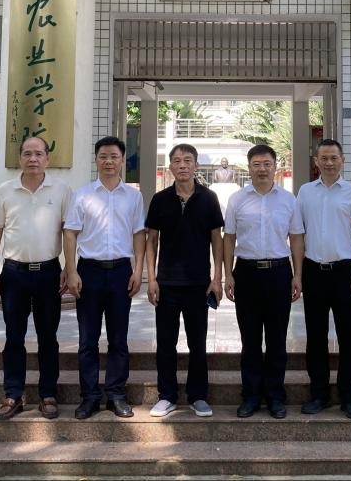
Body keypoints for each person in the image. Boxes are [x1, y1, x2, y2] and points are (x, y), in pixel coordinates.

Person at [0, 137, 73, 421]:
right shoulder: (6, 190)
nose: (33, 159)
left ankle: (48, 394)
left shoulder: (61, 190)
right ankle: (13, 394)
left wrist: (69, 268)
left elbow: (69, 232)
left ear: (47, 158)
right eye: (27, 154)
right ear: (20, 158)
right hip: (14, 273)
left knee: (48, 337)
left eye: (38, 154)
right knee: (14, 337)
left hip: (48, 273)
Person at [63, 136, 146, 420]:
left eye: (114, 156)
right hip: (89, 272)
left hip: (121, 271)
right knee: (87, 339)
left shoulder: (134, 196)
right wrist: (71, 270)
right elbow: (70, 233)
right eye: (103, 156)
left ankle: (116, 395)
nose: (108, 161)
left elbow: (138, 234)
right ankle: (89, 397)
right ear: (96, 160)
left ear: (122, 160)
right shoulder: (82, 195)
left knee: (118, 338)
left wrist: (138, 270)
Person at [223, 144, 305, 419]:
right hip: (246, 273)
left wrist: (297, 275)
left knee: (277, 339)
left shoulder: (288, 200)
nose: (262, 169)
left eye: (267, 164)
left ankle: (275, 396)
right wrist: (227, 274)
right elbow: (229, 238)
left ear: (275, 166)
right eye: (256, 164)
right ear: (248, 168)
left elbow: (296, 238)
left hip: (279, 273)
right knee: (250, 339)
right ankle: (251, 396)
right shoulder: (237, 199)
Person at [145, 143, 225, 418]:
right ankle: (166, 395)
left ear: (196, 165)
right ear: (170, 167)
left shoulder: (209, 198)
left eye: (187, 160)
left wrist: (217, 278)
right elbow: (151, 240)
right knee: (165, 343)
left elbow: (217, 239)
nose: (182, 165)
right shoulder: (160, 199)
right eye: (177, 161)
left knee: (197, 343)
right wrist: (151, 279)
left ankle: (198, 396)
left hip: (198, 283)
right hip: (166, 283)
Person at [295, 139, 351, 419]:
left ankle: (349, 395)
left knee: (347, 335)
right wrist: (298, 273)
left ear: (342, 160)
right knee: (315, 336)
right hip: (313, 270)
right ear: (316, 161)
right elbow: (298, 233)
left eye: (333, 158)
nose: (328, 162)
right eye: (323, 158)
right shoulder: (305, 192)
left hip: (344, 271)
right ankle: (319, 394)